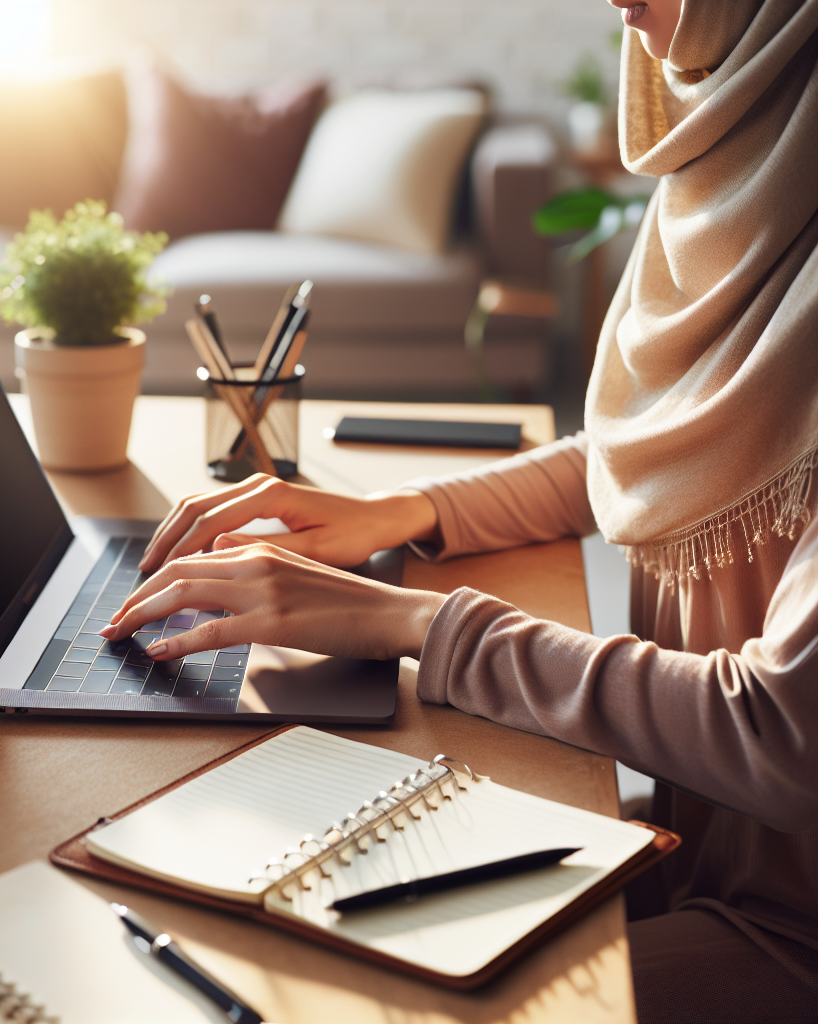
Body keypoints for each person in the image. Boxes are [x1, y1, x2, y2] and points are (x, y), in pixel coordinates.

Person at [101, 0, 818, 1018]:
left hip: (786, 933)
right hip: (701, 846)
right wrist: (404, 511)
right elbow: (657, 447)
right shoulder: (743, 164)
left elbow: (781, 735)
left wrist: (411, 621)